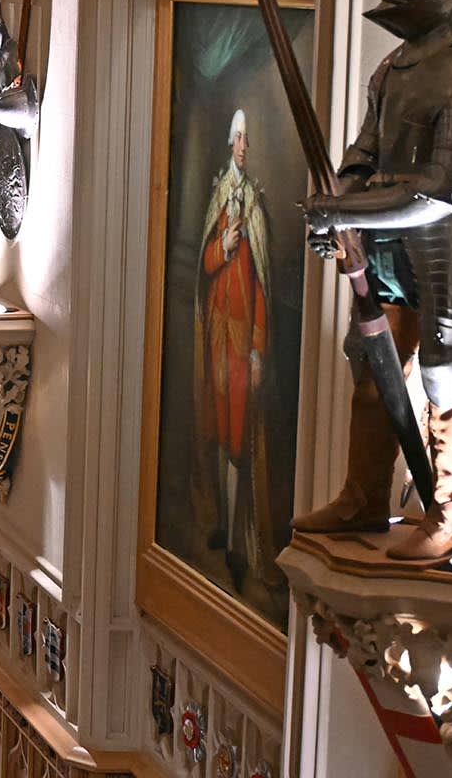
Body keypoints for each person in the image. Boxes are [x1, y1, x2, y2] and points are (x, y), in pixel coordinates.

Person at [193, 108, 271, 591]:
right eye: (238, 137)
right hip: (219, 333)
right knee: (220, 426)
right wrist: (222, 244)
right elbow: (204, 264)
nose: (243, 146)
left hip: (243, 340)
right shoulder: (220, 197)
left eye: (248, 139)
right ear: (229, 142)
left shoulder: (256, 205)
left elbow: (262, 284)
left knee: (241, 430)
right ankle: (223, 525)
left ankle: (242, 541)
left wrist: (259, 348)